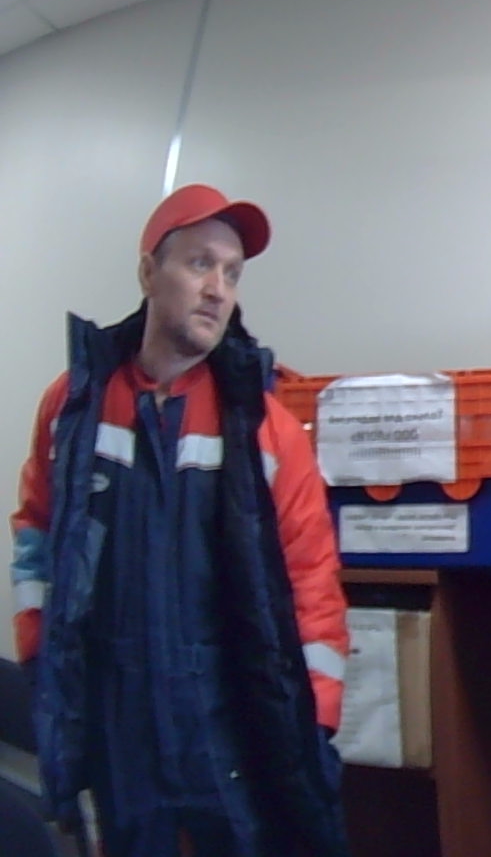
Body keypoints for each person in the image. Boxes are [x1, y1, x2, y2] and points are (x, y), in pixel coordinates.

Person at [10, 185, 350, 857]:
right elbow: (37, 536)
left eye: (232, 273)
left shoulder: (264, 426)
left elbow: (311, 578)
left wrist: (313, 718)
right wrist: (43, 658)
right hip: (113, 712)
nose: (218, 290)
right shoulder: (75, 403)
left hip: (229, 713)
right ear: (148, 273)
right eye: (199, 264)